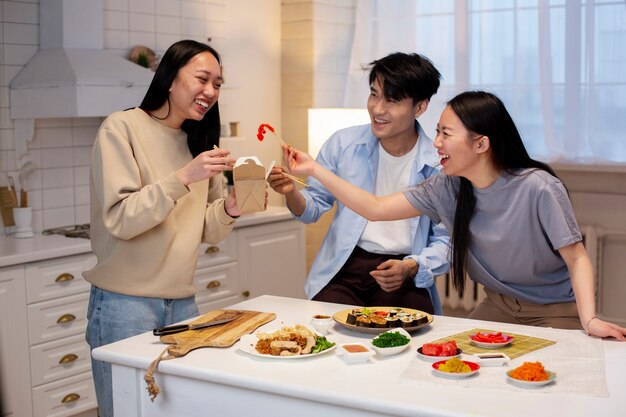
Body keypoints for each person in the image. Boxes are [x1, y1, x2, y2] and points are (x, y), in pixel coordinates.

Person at [282, 90, 626, 340]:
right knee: (442, 357)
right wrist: (314, 169)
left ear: (481, 144)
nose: (436, 143)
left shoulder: (539, 188)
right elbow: (374, 207)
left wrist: (590, 318)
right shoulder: (446, 187)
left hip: (555, 310)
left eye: (446, 133)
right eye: (437, 132)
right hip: (499, 307)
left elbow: (577, 257)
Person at [84, 40, 244, 417]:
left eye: (218, 84)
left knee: (181, 410)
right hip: (125, 303)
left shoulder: (199, 141)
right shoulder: (121, 128)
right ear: (169, 79)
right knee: (125, 410)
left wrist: (230, 210)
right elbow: (122, 219)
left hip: (183, 302)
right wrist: (184, 177)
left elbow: (205, 231)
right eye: (202, 78)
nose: (211, 91)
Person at [268, 52, 450, 314]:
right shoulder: (343, 144)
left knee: (405, 335)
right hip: (346, 263)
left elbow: (446, 241)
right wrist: (290, 192)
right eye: (374, 94)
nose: (378, 109)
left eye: (392, 100)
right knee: (324, 330)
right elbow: (312, 209)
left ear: (420, 107)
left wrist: (412, 267)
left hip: (403, 268)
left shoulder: (437, 163)